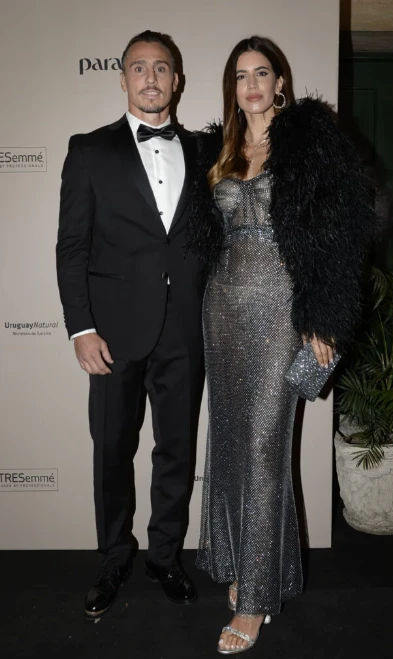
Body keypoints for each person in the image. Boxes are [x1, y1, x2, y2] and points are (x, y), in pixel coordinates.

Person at [186, 36, 376, 654]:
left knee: (267, 450)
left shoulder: (311, 143)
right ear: (233, 87)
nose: (252, 84)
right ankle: (246, 566)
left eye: (261, 72)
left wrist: (325, 319)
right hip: (222, 311)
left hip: (282, 313)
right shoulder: (218, 149)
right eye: (241, 75)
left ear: (280, 82)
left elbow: (345, 232)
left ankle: (256, 601)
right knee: (230, 444)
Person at [56, 30, 206, 619]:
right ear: (122, 79)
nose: (150, 78)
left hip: (185, 331)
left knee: (177, 450)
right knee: (113, 452)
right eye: (139, 68)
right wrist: (81, 328)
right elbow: (72, 247)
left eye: (161, 68)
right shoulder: (90, 150)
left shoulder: (205, 151)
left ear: (176, 80)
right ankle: (114, 558)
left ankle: (165, 556)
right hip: (112, 334)